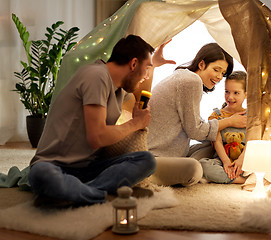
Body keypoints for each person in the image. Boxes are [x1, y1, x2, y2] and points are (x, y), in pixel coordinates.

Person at [28, 35, 171, 208]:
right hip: (54, 166)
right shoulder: (96, 76)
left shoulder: (118, 87)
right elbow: (96, 137)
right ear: (133, 64)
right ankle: (98, 194)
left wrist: (152, 64)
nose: (146, 75)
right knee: (42, 175)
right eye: (146, 68)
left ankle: (76, 194)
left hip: (89, 168)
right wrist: (135, 124)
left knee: (146, 160)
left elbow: (140, 92)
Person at [146, 43, 247, 186]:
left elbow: (196, 126)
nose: (219, 77)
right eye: (216, 70)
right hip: (154, 155)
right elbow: (195, 131)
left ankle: (220, 171)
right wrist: (230, 121)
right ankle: (153, 175)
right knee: (194, 170)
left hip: (170, 151)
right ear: (201, 64)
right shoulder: (191, 81)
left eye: (222, 73)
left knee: (210, 146)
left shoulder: (184, 77)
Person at [200, 71, 248, 184]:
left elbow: (251, 140)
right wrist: (226, 162)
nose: (230, 97)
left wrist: (241, 160)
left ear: (246, 94)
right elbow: (217, 142)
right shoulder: (216, 115)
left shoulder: (250, 116)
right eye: (227, 91)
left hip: (244, 159)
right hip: (222, 160)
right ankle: (239, 180)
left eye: (236, 93)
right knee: (203, 165)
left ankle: (230, 176)